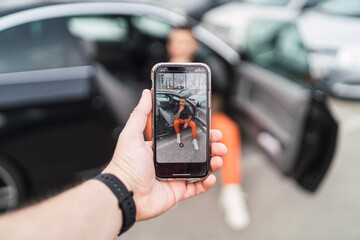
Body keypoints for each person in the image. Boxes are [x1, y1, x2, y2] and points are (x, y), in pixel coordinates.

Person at [0, 89, 226, 239]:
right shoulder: (174, 98)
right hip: (175, 126)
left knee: (210, 134)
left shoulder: (191, 100)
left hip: (186, 125)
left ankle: (219, 176)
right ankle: (178, 142)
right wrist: (123, 184)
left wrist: (122, 184)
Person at [146, 27, 250, 230]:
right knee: (153, 123)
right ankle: (169, 180)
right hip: (169, 118)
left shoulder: (208, 68)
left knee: (228, 129)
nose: (180, 46)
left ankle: (231, 191)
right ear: (170, 44)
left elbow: (219, 97)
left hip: (204, 117)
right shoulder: (158, 69)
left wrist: (205, 110)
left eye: (186, 41)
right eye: (176, 41)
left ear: (195, 45)